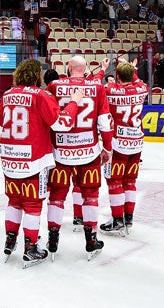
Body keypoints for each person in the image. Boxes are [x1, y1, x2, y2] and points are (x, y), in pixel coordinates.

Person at [0, 59, 82, 267]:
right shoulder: (41, 96)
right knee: (33, 205)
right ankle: (30, 248)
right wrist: (73, 102)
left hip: (9, 158)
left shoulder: (6, 95)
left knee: (14, 201)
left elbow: (3, 122)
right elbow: (61, 124)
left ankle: (10, 240)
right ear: (37, 75)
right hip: (34, 159)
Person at [45, 55, 113, 260]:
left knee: (56, 196)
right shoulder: (98, 87)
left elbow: (47, 117)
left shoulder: (54, 85)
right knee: (90, 196)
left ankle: (53, 238)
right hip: (89, 152)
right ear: (84, 70)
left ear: (68, 67)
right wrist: (107, 148)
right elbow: (104, 122)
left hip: (60, 152)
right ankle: (91, 239)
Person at [100, 60, 149, 235]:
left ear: (118, 76)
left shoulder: (111, 90)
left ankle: (117, 219)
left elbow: (96, 87)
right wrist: (130, 68)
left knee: (114, 181)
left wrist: (103, 70)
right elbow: (136, 80)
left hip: (118, 143)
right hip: (137, 141)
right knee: (130, 181)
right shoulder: (142, 88)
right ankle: (128, 217)